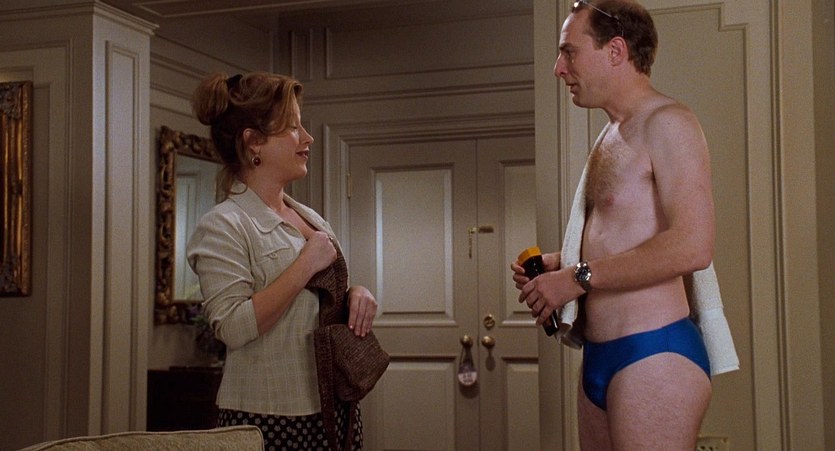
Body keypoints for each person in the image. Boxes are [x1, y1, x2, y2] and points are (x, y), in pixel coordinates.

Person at [511, 1, 737, 449]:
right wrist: (561, 263)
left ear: (615, 51)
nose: (559, 68)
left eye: (569, 52)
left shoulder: (669, 123)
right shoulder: (612, 133)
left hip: (654, 352)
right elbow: (625, 233)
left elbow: (693, 245)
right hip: (600, 355)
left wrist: (576, 278)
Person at [186, 71, 377, 450]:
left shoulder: (310, 218)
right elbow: (232, 327)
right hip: (268, 418)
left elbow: (317, 301)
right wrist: (304, 265)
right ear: (253, 141)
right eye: (292, 127)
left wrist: (356, 294)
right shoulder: (224, 224)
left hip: (333, 408)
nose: (307, 138)